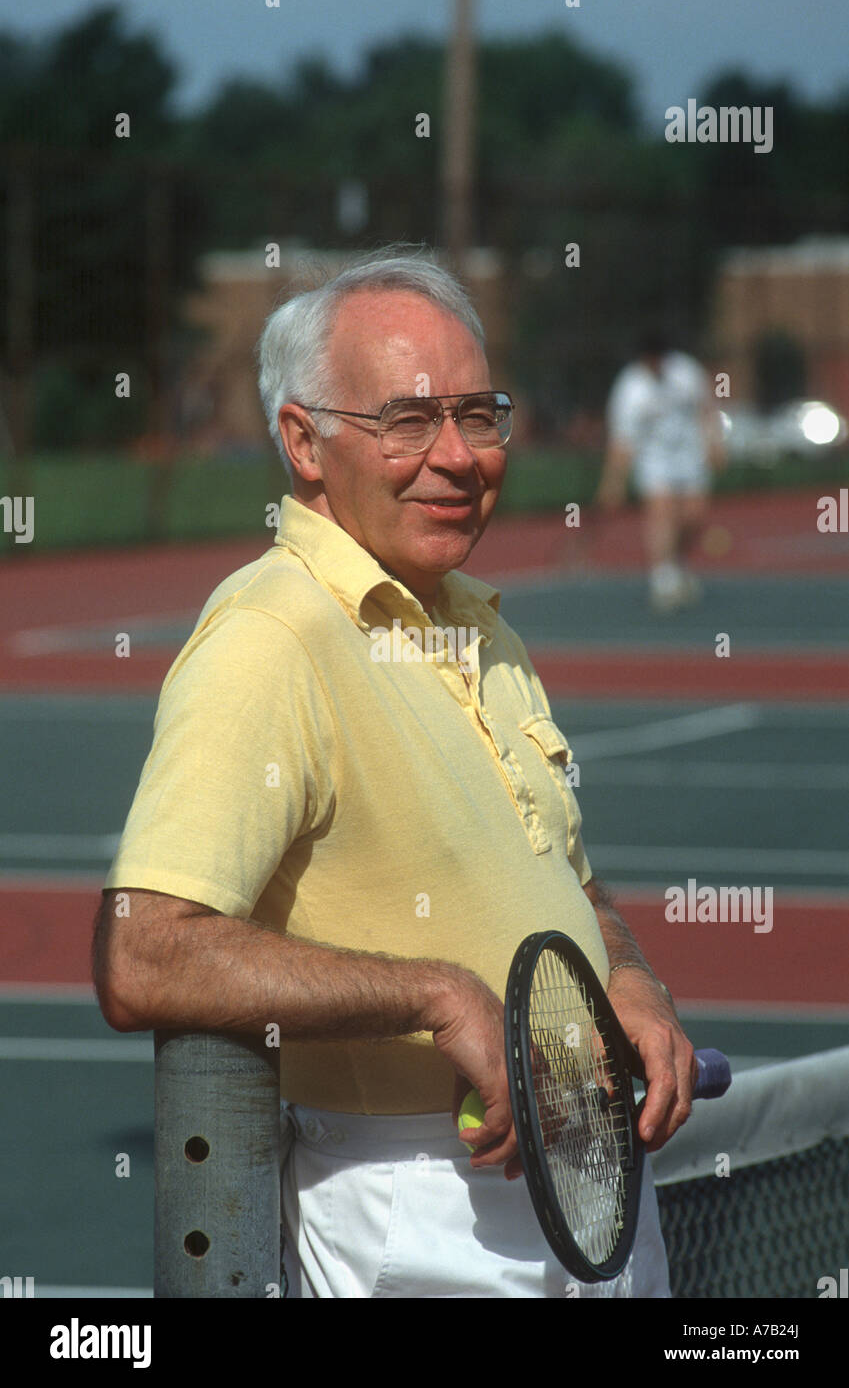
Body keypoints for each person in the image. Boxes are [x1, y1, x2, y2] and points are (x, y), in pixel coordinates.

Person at [93, 252, 697, 1299]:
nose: (456, 456)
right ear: (303, 442)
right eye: (408, 421)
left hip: (590, 1187)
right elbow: (141, 951)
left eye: (477, 415)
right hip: (418, 1217)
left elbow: (568, 877)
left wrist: (628, 981)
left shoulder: (478, 623)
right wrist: (434, 995)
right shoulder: (269, 636)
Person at [597, 330, 725, 612]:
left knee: (694, 517)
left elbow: (707, 408)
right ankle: (663, 578)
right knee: (661, 512)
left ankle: (676, 563)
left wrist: (714, 442)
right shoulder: (630, 388)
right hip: (654, 460)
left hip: (690, 455)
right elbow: (622, 440)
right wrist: (614, 482)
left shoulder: (687, 371)